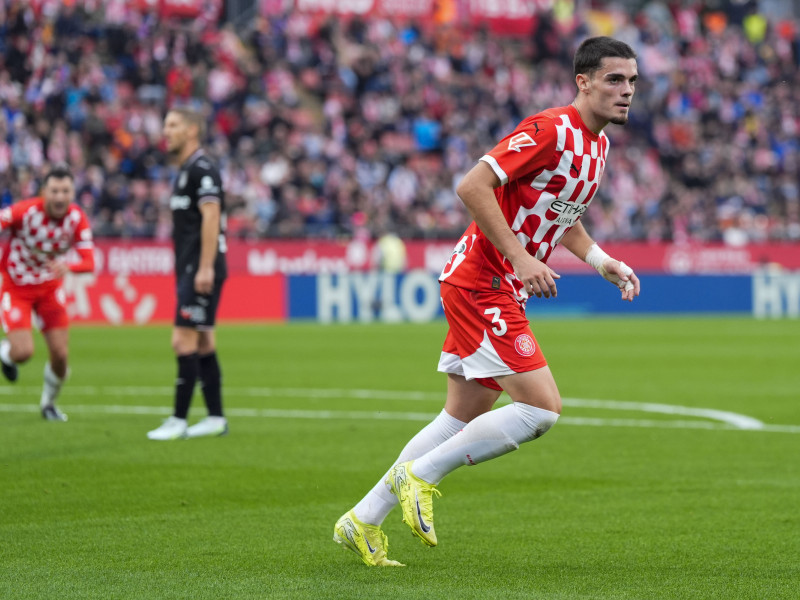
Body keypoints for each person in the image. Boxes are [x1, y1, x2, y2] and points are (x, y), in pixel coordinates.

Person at [333, 36, 642, 566]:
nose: (627, 91)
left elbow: (561, 217)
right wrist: (521, 257)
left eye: (633, 81)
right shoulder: (551, 129)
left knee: (459, 416)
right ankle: (420, 476)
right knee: (542, 408)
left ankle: (361, 520)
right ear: (583, 83)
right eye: (615, 79)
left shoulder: (599, 146)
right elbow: (472, 185)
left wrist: (600, 260)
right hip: (484, 280)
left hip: (493, 281)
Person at [147, 108, 229, 441]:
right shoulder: (184, 171)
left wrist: (205, 266)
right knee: (204, 340)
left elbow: (212, 217)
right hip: (192, 266)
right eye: (165, 124)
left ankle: (179, 419)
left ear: (192, 130)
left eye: (173, 125)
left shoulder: (202, 169)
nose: (165, 131)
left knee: (182, 339)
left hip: (200, 266)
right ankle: (215, 417)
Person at [0, 164, 95, 421]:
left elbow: (89, 262)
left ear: (73, 193)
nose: (60, 197)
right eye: (55, 191)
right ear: (44, 192)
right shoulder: (26, 211)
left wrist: (70, 266)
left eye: (65, 191)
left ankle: (48, 404)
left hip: (49, 289)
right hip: (16, 285)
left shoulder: (76, 218)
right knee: (23, 353)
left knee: (61, 356)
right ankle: (5, 353)